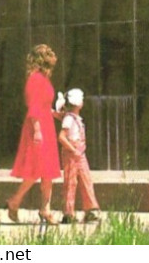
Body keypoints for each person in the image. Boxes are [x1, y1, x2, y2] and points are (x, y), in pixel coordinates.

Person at [7, 44, 62, 225]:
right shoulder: (35, 80)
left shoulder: (44, 79)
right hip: (37, 127)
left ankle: (45, 208)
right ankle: (15, 201)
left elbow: (43, 105)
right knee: (35, 169)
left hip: (46, 125)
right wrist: (38, 130)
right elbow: (34, 107)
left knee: (48, 170)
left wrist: (54, 113)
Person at [58, 88, 101, 225]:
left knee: (86, 180)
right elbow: (62, 137)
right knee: (70, 183)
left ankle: (90, 209)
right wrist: (72, 149)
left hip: (80, 153)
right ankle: (68, 213)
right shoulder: (69, 119)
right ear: (77, 103)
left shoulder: (73, 117)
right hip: (72, 154)